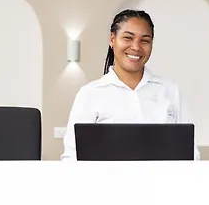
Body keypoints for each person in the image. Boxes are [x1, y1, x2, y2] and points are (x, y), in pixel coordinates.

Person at [61, 9, 200, 160]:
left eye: (145, 40)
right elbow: (72, 157)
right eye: (128, 38)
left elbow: (190, 153)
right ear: (112, 39)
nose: (136, 47)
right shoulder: (90, 94)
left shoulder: (170, 91)